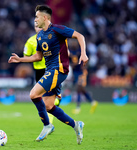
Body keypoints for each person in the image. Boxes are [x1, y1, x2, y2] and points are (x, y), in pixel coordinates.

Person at [8, 5, 88, 144]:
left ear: (45, 18)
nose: (35, 20)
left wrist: (83, 53)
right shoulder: (40, 36)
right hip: (50, 71)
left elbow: (79, 36)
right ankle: (76, 125)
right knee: (49, 106)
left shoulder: (57, 29)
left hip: (59, 70)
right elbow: (38, 56)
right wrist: (21, 59)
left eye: (37, 17)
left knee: (33, 94)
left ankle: (47, 125)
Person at [23, 23, 61, 124]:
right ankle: (49, 122)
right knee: (44, 99)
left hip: (51, 69)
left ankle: (49, 123)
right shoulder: (31, 41)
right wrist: (35, 57)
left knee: (50, 99)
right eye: (36, 27)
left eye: (40, 26)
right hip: (39, 71)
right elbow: (26, 56)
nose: (38, 28)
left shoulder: (50, 37)